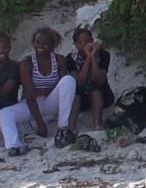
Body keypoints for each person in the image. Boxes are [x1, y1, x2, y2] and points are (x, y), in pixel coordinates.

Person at [0, 27, 78, 155]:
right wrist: (40, 124)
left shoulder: (59, 60)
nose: (40, 46)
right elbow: (30, 95)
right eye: (37, 42)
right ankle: (13, 145)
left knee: (69, 80)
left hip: (51, 102)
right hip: (33, 105)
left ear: (53, 45)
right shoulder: (27, 63)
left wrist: (43, 90)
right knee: (4, 114)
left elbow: (62, 87)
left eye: (45, 43)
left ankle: (63, 128)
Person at [66, 27, 114, 131]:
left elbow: (100, 79)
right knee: (76, 93)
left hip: (102, 94)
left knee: (95, 88)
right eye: (80, 42)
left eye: (87, 41)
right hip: (82, 97)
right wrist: (88, 58)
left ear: (92, 41)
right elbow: (80, 81)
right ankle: (71, 127)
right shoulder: (70, 59)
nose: (84, 44)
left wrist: (93, 58)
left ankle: (97, 124)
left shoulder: (104, 55)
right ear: (76, 45)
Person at [0, 33, 19, 113]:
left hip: (8, 106)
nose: (1, 50)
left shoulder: (13, 66)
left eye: (5, 47)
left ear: (10, 47)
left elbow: (6, 91)